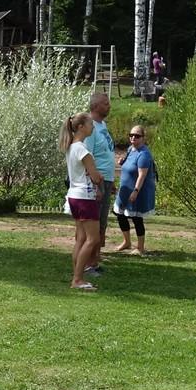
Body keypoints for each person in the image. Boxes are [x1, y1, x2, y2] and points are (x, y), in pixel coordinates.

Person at [62, 113, 103, 291]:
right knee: (93, 239)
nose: (92, 127)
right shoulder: (83, 149)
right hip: (85, 197)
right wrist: (100, 178)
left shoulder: (71, 147)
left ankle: (77, 276)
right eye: (90, 124)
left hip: (73, 196)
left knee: (80, 238)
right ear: (81, 127)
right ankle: (78, 279)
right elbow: (94, 176)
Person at [114, 124, 157, 256]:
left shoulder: (144, 154)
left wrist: (136, 191)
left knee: (137, 219)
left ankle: (140, 247)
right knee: (119, 214)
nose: (133, 138)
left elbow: (142, 175)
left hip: (137, 191)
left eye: (137, 136)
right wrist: (122, 162)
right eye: (131, 135)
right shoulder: (130, 149)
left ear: (143, 138)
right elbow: (128, 165)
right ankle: (126, 242)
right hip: (125, 190)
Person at [85, 93, 116, 276]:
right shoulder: (90, 128)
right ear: (96, 106)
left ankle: (95, 261)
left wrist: (111, 181)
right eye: (105, 103)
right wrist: (95, 185)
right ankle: (88, 264)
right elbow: (87, 158)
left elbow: (106, 154)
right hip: (96, 181)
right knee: (93, 225)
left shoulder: (102, 125)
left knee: (101, 225)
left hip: (106, 179)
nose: (109, 106)